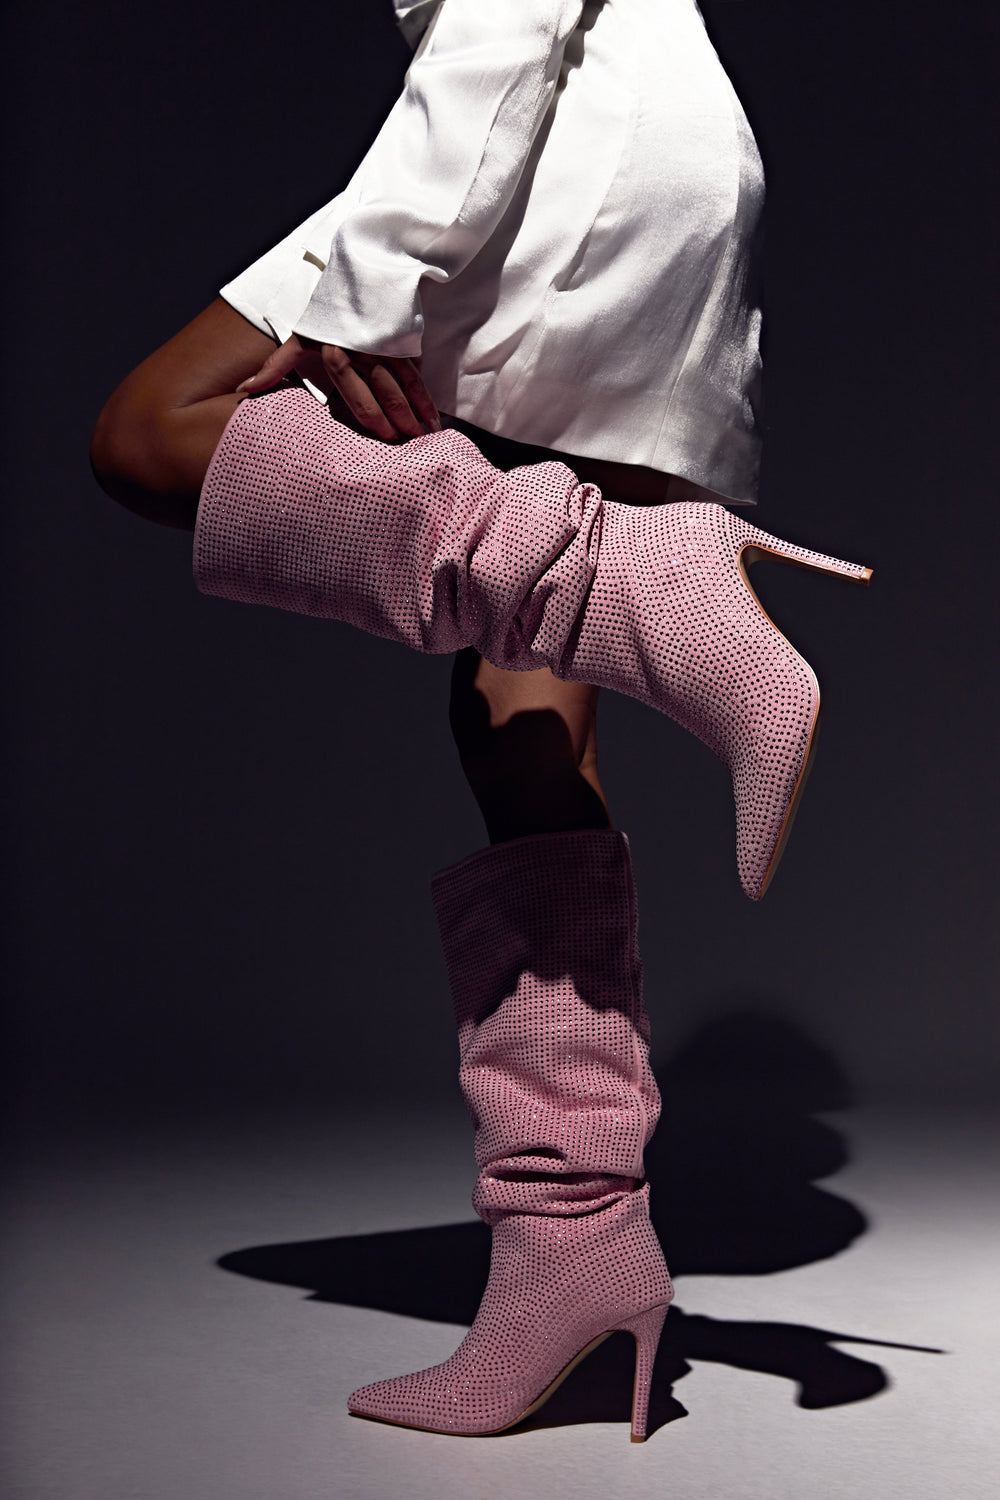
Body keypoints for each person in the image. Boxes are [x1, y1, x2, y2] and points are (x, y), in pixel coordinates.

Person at [90, 0, 870, 1441]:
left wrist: (373, 286)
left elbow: (505, 15)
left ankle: (645, 586)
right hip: (642, 160)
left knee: (152, 433)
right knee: (522, 728)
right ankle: (572, 1250)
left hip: (559, 154)